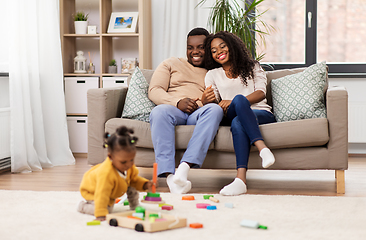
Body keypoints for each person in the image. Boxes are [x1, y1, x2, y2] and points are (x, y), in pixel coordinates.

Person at [148, 27, 223, 194]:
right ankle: (170, 178)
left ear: (209, 47)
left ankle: (184, 167)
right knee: (158, 112)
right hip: (173, 110)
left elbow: (221, 98)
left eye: (200, 47)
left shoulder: (215, 72)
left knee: (215, 110)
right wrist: (177, 102)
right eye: (190, 47)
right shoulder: (171, 63)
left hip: (198, 112)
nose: (195, 52)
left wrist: (203, 103)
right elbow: (154, 90)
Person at [204, 31, 276, 196]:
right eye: (213, 50)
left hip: (260, 112)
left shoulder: (252, 66)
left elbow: (261, 93)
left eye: (222, 46)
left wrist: (236, 101)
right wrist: (207, 100)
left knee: (238, 121)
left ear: (232, 46)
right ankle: (262, 148)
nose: (218, 52)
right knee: (237, 104)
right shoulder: (212, 75)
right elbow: (217, 104)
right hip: (230, 113)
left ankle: (240, 180)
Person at [77, 126, 153, 221]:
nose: (129, 164)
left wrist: (145, 184)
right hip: (93, 190)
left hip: (113, 187)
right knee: (107, 209)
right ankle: (83, 206)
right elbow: (102, 194)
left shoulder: (129, 167)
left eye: (131, 160)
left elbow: (134, 180)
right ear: (110, 157)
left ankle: (134, 205)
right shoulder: (106, 173)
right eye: (123, 162)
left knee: (131, 185)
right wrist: (100, 213)